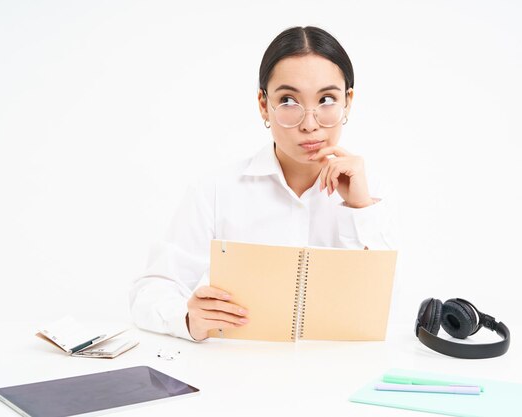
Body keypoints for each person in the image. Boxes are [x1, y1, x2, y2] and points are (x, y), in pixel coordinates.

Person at [130, 26, 397, 342]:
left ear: (347, 103)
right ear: (263, 104)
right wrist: (188, 318)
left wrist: (359, 209)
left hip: (337, 377)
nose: (310, 124)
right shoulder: (216, 190)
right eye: (288, 100)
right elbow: (150, 291)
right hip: (238, 376)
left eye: (327, 99)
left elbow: (376, 309)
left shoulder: (368, 191)